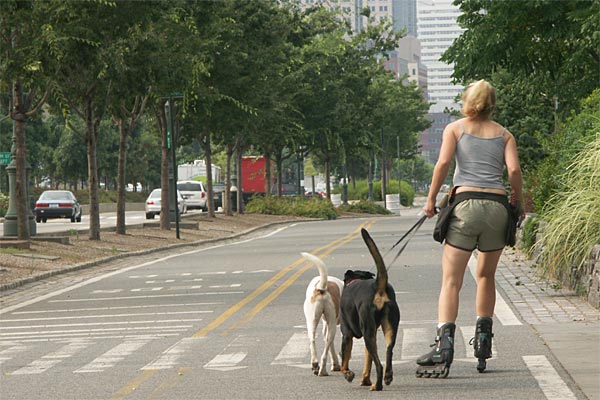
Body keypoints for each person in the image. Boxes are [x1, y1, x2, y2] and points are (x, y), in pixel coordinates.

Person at [415, 79, 524, 378]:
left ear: (468, 100)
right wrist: (519, 203)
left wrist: (429, 201)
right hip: (497, 209)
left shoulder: (455, 128)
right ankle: (484, 342)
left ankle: (444, 346)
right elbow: (513, 170)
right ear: (492, 103)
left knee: (452, 280)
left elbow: (443, 163)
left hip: (465, 206)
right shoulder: (504, 135)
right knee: (486, 275)